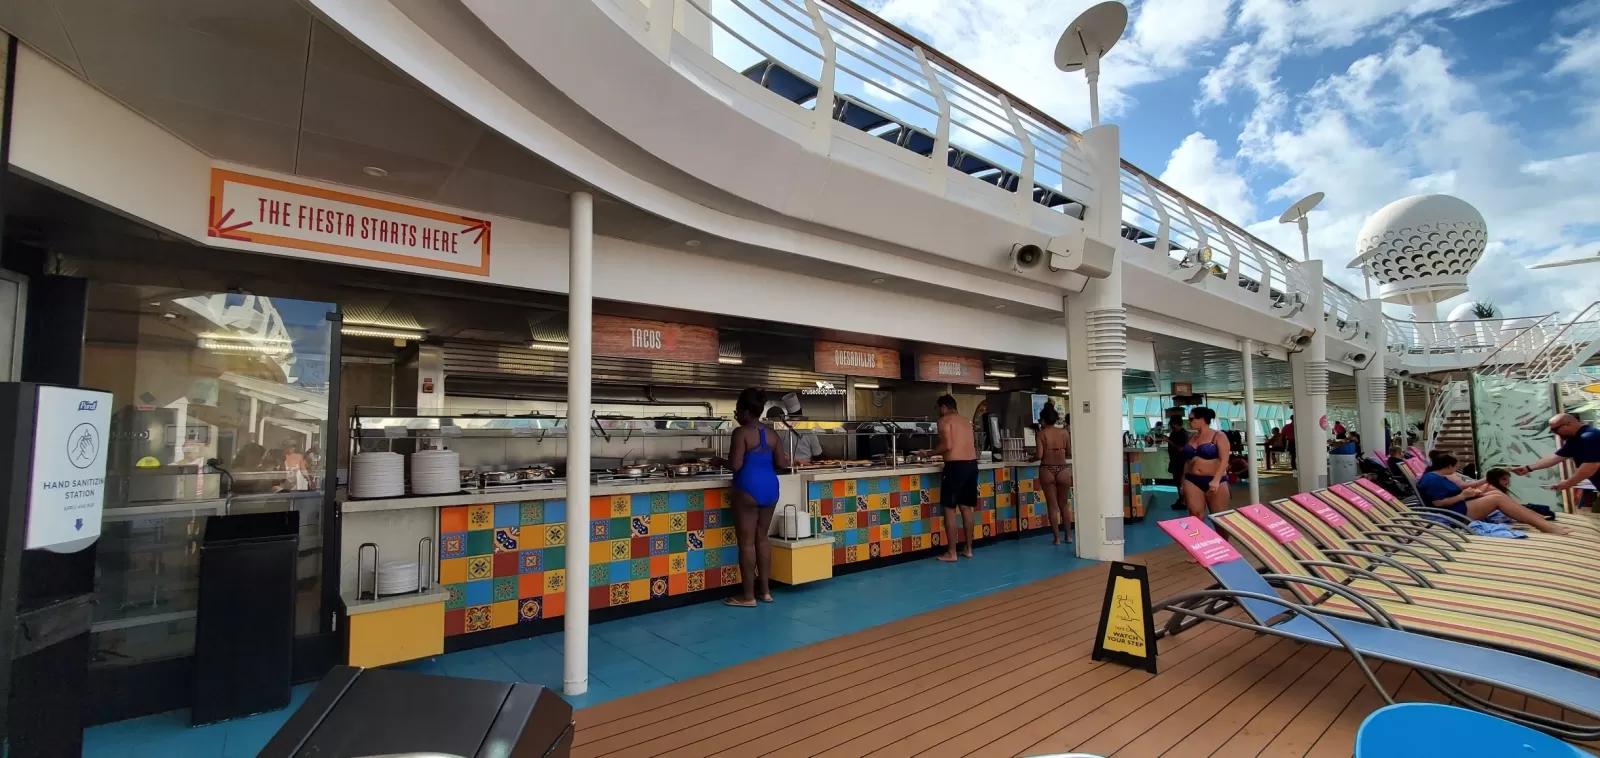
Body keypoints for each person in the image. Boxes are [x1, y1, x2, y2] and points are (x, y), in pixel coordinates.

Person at [726, 388, 790, 607]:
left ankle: (748, 596)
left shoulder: (741, 433)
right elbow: (781, 463)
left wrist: (719, 461)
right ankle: (766, 592)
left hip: (747, 488)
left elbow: (735, 465)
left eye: (737, 411)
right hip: (770, 488)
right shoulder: (772, 434)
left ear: (745, 411)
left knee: (746, 544)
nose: (736, 415)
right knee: (762, 539)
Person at [1418, 453, 1570, 535]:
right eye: (1455, 466)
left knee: (1497, 494)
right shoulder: (1432, 479)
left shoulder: (1439, 477)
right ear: (1449, 466)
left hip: (1457, 507)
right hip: (1453, 513)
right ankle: (1543, 525)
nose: (1456, 468)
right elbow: (1438, 503)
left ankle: (1539, 520)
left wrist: (1469, 494)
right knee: (1497, 498)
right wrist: (1462, 496)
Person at [928, 394, 979, 562]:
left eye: (937, 408)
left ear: (943, 407)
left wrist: (928, 453)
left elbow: (948, 445)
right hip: (972, 465)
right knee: (966, 508)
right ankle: (968, 549)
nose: (937, 411)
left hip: (955, 467)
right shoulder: (966, 422)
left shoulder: (944, 420)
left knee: (949, 509)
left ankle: (952, 552)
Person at [1512, 414, 1600, 496]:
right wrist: (1528, 468)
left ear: (1567, 424)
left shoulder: (1590, 437)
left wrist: (1569, 483)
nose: (1555, 433)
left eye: (1555, 429)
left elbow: (1591, 466)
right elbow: (1555, 458)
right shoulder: (1575, 439)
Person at [1180, 407, 1231, 522]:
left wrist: (1216, 480)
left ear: (1202, 419)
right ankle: (1198, 535)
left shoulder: (1218, 436)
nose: (1189, 422)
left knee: (1219, 519)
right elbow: (1187, 462)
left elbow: (1225, 460)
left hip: (1214, 479)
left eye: (1191, 419)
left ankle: (1221, 536)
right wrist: (1183, 481)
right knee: (1195, 516)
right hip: (1192, 479)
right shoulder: (1191, 437)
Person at [1034, 402, 1073, 545]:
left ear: (1044, 420)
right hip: (1062, 469)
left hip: (1047, 469)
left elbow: (1039, 455)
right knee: (1064, 504)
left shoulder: (1041, 434)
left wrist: (1031, 458)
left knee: (1052, 506)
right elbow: (1069, 452)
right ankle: (1068, 537)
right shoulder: (1064, 433)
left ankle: (1056, 539)